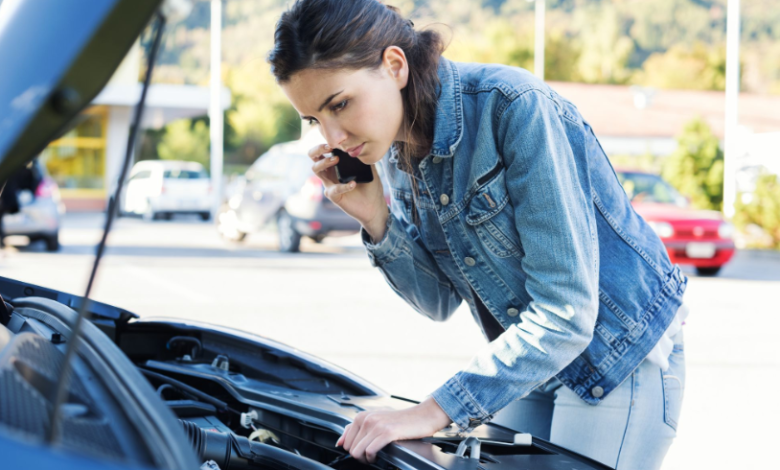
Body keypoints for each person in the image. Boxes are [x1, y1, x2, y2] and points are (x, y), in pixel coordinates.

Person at [268, 1, 687, 469]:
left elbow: (567, 313)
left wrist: (431, 411)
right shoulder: (395, 149)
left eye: (340, 104)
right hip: (531, 358)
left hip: (615, 355)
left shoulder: (514, 107)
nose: (333, 137)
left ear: (394, 66)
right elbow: (438, 301)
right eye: (314, 120)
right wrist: (376, 220)